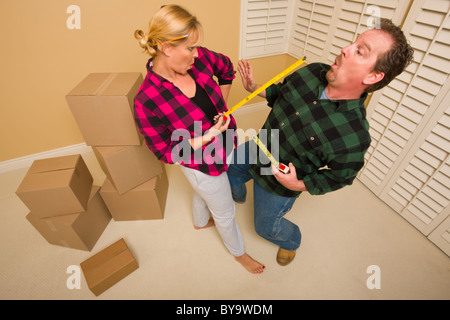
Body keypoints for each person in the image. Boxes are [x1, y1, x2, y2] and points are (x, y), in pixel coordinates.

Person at [228, 18, 414, 266]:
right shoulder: (311, 71)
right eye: (354, 42)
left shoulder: (354, 136)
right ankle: (237, 196)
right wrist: (255, 88)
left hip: (278, 184)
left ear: (373, 75)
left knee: (265, 228)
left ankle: (291, 240)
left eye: (360, 51)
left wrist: (299, 184)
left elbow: (340, 177)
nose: (345, 49)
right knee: (230, 170)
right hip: (260, 145)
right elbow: (281, 93)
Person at [133, 5, 265, 274]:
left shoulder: (200, 59)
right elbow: (164, 151)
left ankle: (199, 221)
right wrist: (205, 137)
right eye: (190, 48)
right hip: (200, 163)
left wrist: (222, 107)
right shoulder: (146, 100)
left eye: (196, 47)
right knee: (224, 210)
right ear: (167, 48)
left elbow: (226, 68)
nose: (197, 54)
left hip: (226, 140)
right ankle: (239, 254)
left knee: (207, 192)